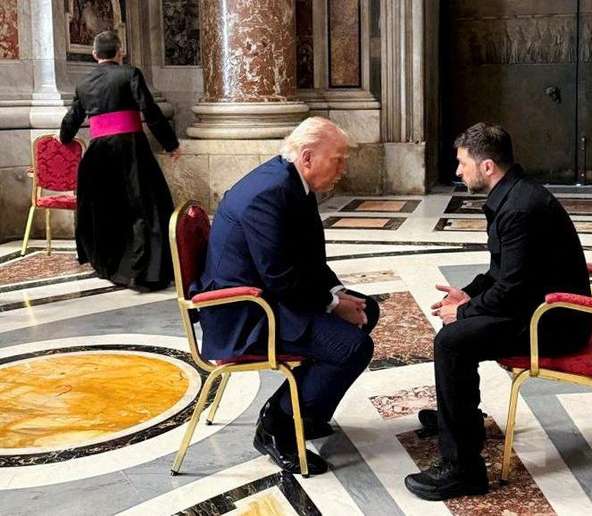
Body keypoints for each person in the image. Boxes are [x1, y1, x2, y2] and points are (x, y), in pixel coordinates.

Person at [404, 123, 592, 500]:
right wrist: (467, 295)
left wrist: (466, 311)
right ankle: (462, 423)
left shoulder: (520, 209)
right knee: (457, 335)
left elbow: (513, 289)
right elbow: (501, 273)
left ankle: (463, 470)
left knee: (452, 342)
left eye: (462, 164)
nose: (458, 172)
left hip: (554, 323)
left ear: (487, 166)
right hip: (538, 308)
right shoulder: (514, 197)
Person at [190, 117, 380, 475]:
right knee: (352, 348)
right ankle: (277, 424)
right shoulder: (269, 194)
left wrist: (337, 293)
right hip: (244, 312)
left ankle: (306, 410)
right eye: (337, 158)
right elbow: (280, 276)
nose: (343, 167)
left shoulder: (292, 181)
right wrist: (333, 305)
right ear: (307, 157)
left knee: (369, 310)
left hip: (270, 296)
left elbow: (306, 258)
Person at [60, 30, 180, 292]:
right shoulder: (130, 74)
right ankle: (143, 271)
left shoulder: (83, 84)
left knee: (107, 208)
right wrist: (171, 143)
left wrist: (64, 139)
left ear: (94, 54)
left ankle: (111, 264)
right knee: (145, 206)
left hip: (98, 153)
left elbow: (71, 120)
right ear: (120, 52)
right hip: (131, 149)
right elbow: (150, 111)